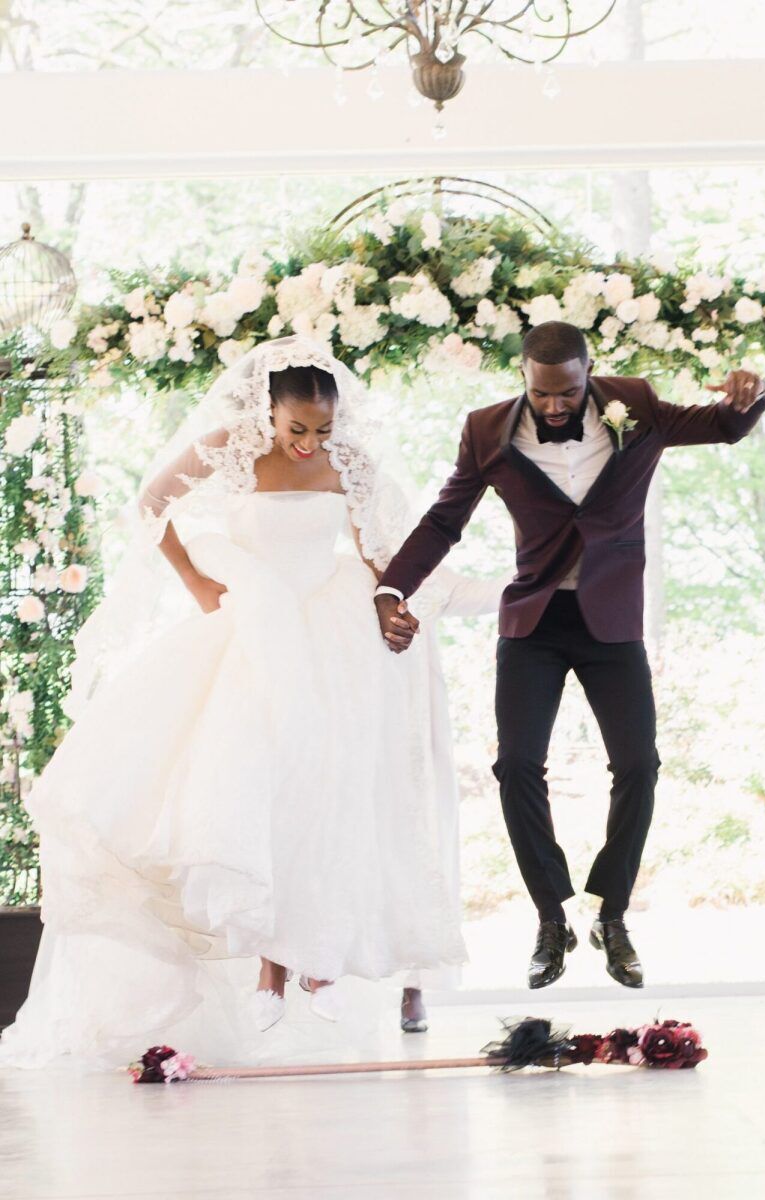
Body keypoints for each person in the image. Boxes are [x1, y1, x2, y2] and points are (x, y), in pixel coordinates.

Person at [0, 336, 498, 1068]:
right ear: (268, 411)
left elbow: (377, 552)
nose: (308, 444)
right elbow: (152, 503)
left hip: (330, 635)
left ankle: (319, 958)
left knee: (332, 791)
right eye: (296, 429)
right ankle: (268, 965)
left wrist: (394, 605)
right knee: (255, 789)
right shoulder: (229, 447)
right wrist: (198, 585)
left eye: (321, 431)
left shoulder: (349, 463)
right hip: (251, 631)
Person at [373, 320, 765, 991]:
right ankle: (550, 915)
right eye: (541, 393)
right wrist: (392, 587)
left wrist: (748, 396)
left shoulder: (637, 406)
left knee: (639, 766)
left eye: (566, 393)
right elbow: (446, 520)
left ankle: (611, 914)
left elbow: (725, 427)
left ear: (590, 372)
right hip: (533, 620)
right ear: (523, 377)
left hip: (611, 622)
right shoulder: (485, 432)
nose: (554, 406)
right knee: (516, 767)